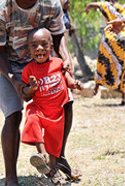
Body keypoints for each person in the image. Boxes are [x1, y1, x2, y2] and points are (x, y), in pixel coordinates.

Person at [0, 0, 78, 185]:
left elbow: (59, 36)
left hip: (42, 65)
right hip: (9, 66)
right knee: (13, 114)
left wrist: (66, 58)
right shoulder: (0, 10)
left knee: (66, 102)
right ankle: (11, 177)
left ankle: (57, 158)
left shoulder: (51, 3)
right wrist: (15, 81)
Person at [19, 27, 80, 183]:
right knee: (32, 119)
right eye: (34, 46)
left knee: (54, 142)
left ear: (51, 47)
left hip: (57, 111)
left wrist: (74, 83)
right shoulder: (29, 69)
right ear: (29, 49)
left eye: (44, 45)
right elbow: (25, 91)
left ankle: (52, 169)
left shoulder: (58, 63)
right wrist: (32, 87)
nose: (39, 49)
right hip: (39, 108)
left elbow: (67, 79)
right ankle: (42, 155)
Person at [84, 0, 125, 104]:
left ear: (109, 1)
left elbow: (94, 4)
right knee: (124, 67)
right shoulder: (124, 8)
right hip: (123, 40)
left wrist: (87, 8)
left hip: (110, 37)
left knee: (102, 61)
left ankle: (96, 87)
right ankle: (124, 97)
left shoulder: (107, 5)